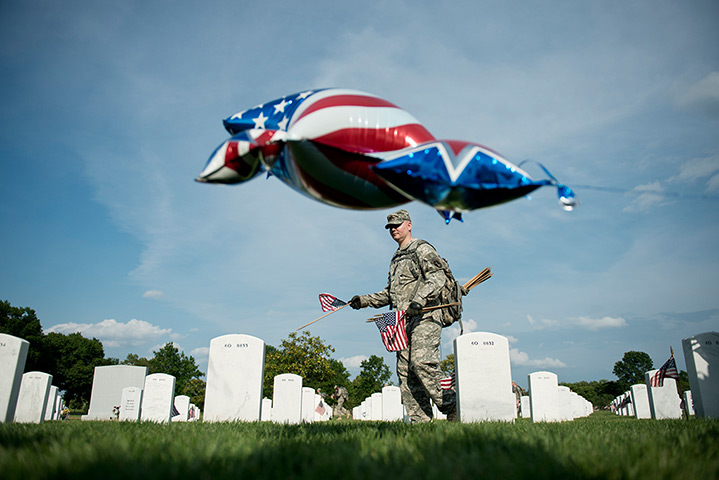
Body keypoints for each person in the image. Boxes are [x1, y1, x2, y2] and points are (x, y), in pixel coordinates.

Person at [349, 209, 456, 422]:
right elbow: (391, 293)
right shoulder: (396, 259)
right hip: (402, 321)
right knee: (406, 373)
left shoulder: (422, 249)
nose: (394, 229)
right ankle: (420, 422)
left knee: (421, 362)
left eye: (397, 225)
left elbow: (437, 278)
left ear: (409, 224)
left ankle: (452, 406)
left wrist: (420, 300)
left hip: (426, 316)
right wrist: (364, 301)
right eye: (390, 227)